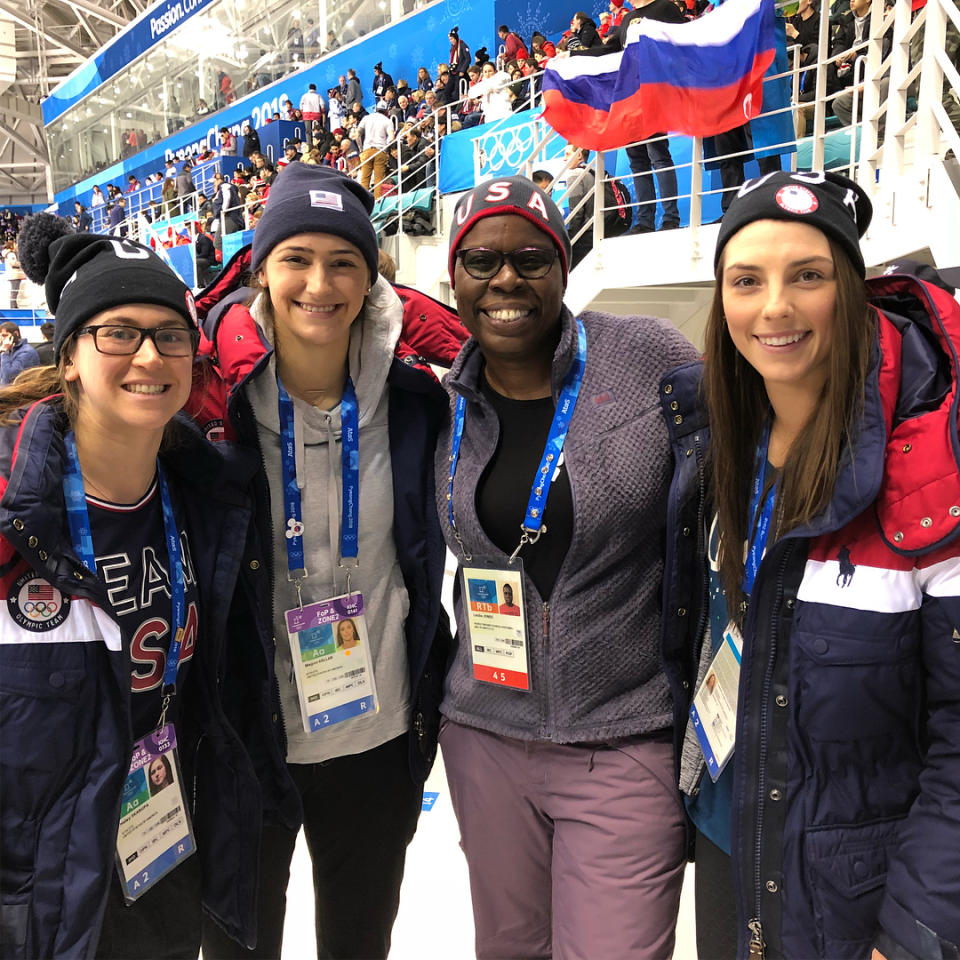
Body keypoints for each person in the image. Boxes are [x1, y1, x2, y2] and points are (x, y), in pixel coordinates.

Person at [661, 170, 960, 959]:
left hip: (851, 896)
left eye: (809, 277)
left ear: (852, 292)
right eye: (747, 280)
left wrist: (913, 931)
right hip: (728, 835)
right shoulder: (722, 440)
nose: (776, 308)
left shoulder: (931, 471)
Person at [3, 216, 297, 959]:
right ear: (69, 355)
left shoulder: (204, 497)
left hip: (161, 839)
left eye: (170, 335)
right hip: (39, 880)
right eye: (118, 333)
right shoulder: (14, 512)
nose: (148, 354)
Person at [195, 164, 455, 960]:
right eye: (296, 259)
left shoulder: (414, 401)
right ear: (262, 270)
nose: (320, 283)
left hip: (375, 737)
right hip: (250, 737)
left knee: (359, 943)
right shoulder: (214, 408)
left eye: (343, 261)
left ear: (372, 275)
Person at [437, 176, 698, 959]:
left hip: (622, 739)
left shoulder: (649, 356)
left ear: (564, 264)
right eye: (480, 260)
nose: (505, 279)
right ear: (454, 276)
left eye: (530, 257)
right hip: (485, 737)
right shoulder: (441, 400)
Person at [357, 104, 394, 199]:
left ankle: (363, 202)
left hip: (367, 150)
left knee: (364, 179)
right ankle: (378, 202)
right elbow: (391, 137)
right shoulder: (387, 121)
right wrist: (386, 147)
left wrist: (361, 149)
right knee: (379, 180)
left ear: (376, 109)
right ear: (386, 111)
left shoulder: (366, 118)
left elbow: (357, 134)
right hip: (380, 151)